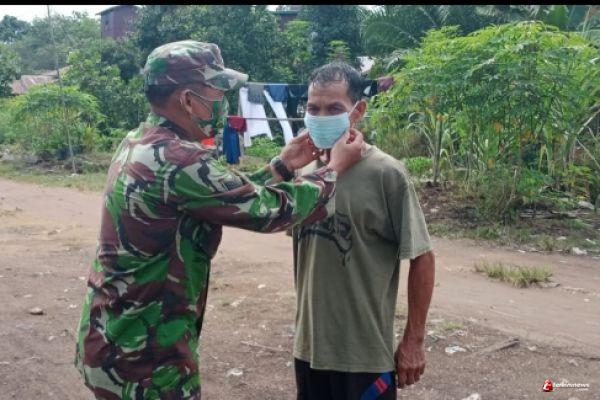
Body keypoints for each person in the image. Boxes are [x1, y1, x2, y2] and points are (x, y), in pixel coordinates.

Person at [74, 41, 364, 400]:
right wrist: (333, 170)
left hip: (113, 334)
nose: (223, 104)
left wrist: (282, 165)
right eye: (218, 93)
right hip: (144, 356)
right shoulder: (179, 159)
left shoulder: (142, 141)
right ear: (188, 99)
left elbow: (220, 196)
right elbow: (269, 211)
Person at [293, 61, 436, 400]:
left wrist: (414, 340)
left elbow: (423, 257)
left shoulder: (386, 173)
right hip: (309, 351)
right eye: (313, 108)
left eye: (334, 109)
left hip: (364, 358)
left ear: (357, 112)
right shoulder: (305, 174)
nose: (321, 117)